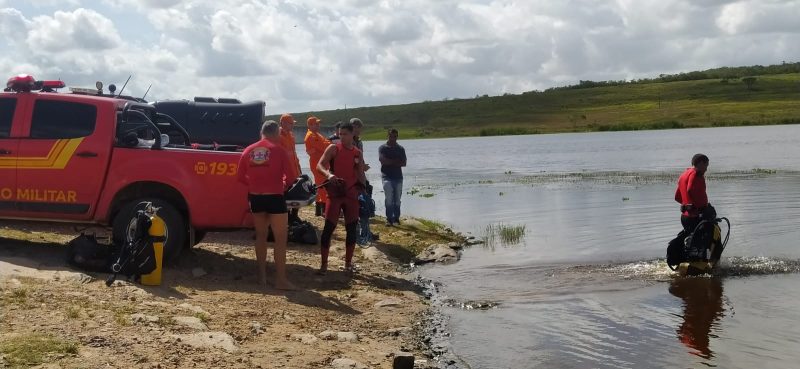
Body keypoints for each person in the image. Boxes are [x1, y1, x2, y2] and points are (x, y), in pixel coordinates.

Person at [237, 120, 295, 290]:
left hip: (256, 197)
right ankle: (281, 280)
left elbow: (240, 177)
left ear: (261, 133)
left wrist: (254, 184)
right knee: (280, 239)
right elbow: (291, 177)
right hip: (275, 197)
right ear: (276, 133)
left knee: (261, 236)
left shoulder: (248, 150)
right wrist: (283, 185)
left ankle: (261, 277)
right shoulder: (279, 150)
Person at [316, 122, 365, 274]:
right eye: (340, 134)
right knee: (328, 228)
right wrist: (328, 175)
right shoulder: (333, 148)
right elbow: (319, 165)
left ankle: (348, 264)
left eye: (345, 134)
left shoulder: (357, 153)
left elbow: (360, 172)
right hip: (335, 194)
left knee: (351, 229)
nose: (342, 137)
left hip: (351, 194)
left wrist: (364, 189)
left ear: (352, 134)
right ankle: (324, 265)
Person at [674, 153, 711, 234]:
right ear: (701, 163)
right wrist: (698, 208)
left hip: (684, 217)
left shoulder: (684, 175)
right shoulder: (696, 174)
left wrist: (687, 205)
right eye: (706, 166)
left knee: (691, 239)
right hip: (695, 217)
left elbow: (677, 197)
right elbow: (690, 189)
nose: (706, 169)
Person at [378, 128, 406, 226]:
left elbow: (404, 163)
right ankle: (389, 219)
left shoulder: (401, 149)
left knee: (397, 199)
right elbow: (382, 160)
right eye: (390, 136)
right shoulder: (382, 148)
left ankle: (396, 218)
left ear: (397, 137)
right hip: (386, 176)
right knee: (389, 198)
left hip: (398, 177)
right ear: (387, 136)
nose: (392, 138)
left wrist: (389, 161)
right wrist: (396, 161)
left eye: (394, 136)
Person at [304, 116, 331, 217]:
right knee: (323, 186)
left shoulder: (316, 134)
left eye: (318, 123)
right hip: (317, 164)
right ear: (310, 125)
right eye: (316, 124)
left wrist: (327, 143)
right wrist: (328, 144)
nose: (318, 125)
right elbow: (324, 146)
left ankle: (319, 211)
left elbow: (326, 143)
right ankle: (324, 211)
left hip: (322, 163)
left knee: (321, 185)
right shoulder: (311, 136)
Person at [279, 113, 302, 223]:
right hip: (285, 172)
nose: (292, 125)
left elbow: (294, 153)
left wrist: (299, 168)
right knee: (286, 194)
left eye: (293, 123)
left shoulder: (291, 135)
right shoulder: (278, 136)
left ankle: (294, 216)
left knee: (297, 193)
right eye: (290, 123)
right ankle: (287, 217)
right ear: (283, 123)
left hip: (294, 169)